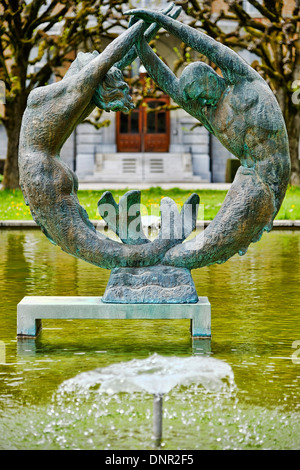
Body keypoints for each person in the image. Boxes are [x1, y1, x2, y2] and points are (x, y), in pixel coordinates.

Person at [125, 8, 291, 269]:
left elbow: (208, 45)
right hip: (249, 178)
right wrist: (138, 42)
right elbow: (165, 80)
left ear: (210, 77)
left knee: (213, 243)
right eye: (195, 99)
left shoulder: (244, 80)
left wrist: (163, 21)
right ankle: (159, 262)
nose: (200, 102)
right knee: (205, 245)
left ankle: (163, 263)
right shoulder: (208, 112)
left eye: (201, 93)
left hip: (268, 180)